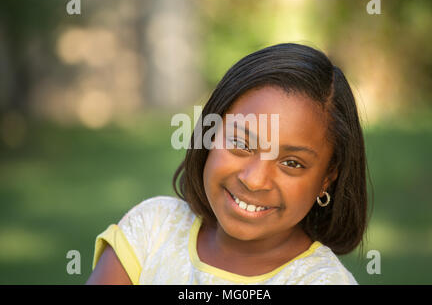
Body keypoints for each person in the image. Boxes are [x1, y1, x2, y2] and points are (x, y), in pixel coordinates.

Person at [86, 43, 369, 285]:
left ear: (326, 178)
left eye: (291, 163)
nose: (254, 179)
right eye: (242, 144)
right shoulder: (154, 230)